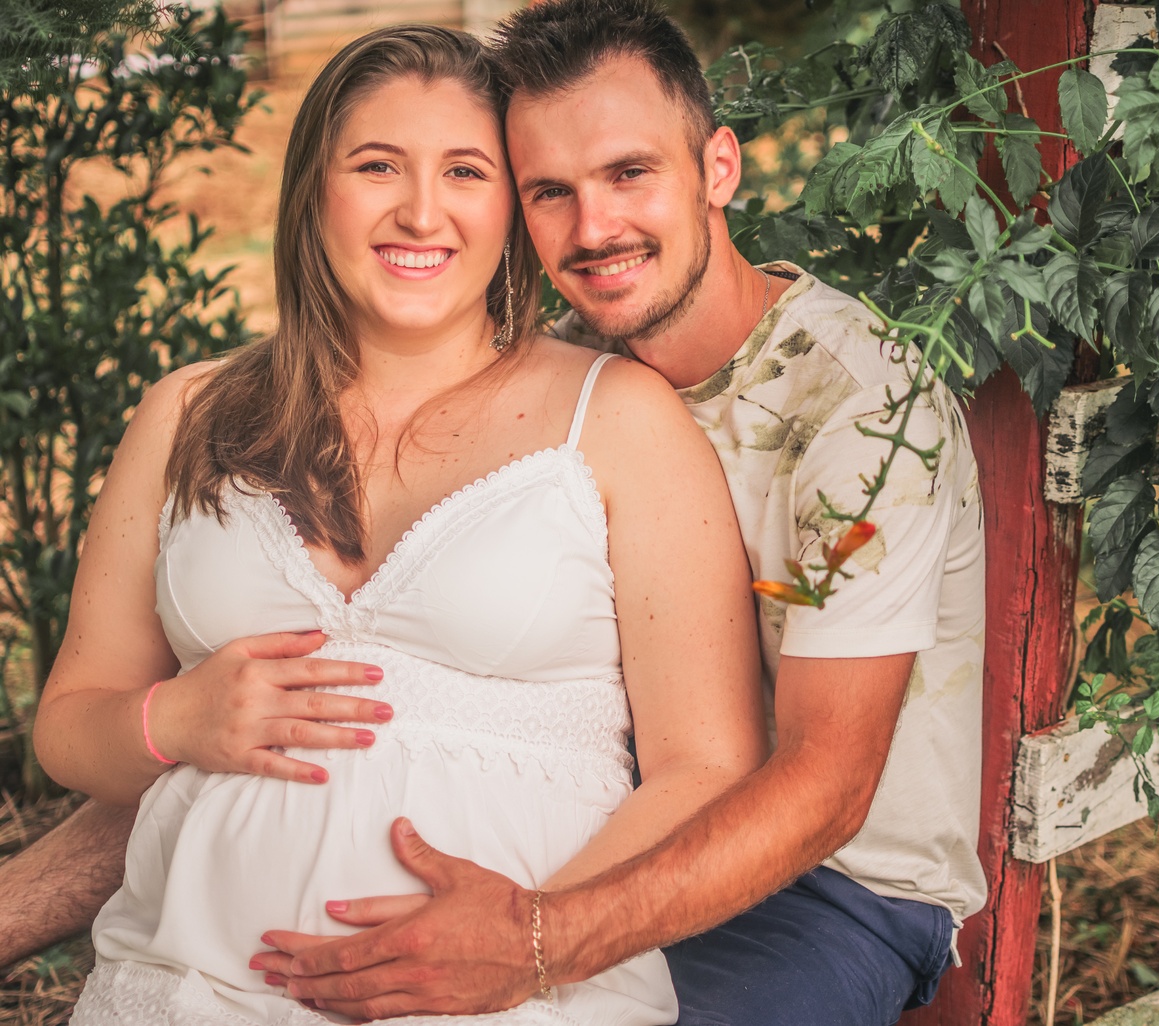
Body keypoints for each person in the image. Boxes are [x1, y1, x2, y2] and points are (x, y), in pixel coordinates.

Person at [252, 3, 989, 1025]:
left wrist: (532, 944)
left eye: (629, 173)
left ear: (717, 168)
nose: (593, 230)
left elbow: (825, 785)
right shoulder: (570, 379)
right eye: (550, 192)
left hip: (828, 891)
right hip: (594, 817)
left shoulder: (861, 409)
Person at [29, 23, 766, 1026]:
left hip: (515, 1000)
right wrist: (174, 720)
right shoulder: (187, 416)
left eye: (466, 172)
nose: (421, 211)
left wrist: (529, 939)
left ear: (512, 207)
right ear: (313, 189)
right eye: (377, 165)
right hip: (185, 986)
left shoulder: (619, 420)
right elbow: (71, 727)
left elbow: (708, 766)